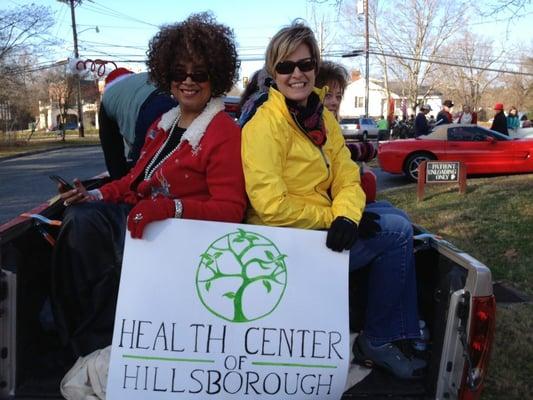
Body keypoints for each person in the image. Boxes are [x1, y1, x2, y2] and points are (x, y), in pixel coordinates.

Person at [51, 12, 247, 360]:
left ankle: (94, 342)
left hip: (181, 237)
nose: (188, 81)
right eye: (178, 73)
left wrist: (170, 208)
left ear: (214, 78)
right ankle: (79, 335)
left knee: (85, 225)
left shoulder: (222, 132)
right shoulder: (163, 123)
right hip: (145, 222)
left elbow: (231, 210)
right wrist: (93, 193)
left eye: (199, 73)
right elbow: (134, 180)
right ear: (166, 77)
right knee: (81, 213)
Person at [241, 21, 426, 380]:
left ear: (315, 66)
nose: (297, 74)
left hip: (313, 229)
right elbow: (271, 206)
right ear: (273, 72)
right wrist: (336, 218)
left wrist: (346, 214)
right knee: (397, 231)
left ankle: (404, 329)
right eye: (286, 66)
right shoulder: (265, 124)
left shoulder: (320, 116)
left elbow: (346, 175)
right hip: (282, 242)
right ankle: (381, 337)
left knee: (391, 212)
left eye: (306, 64)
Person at [314, 60, 377, 203]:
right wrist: (361, 151)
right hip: (326, 205)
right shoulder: (313, 130)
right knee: (398, 223)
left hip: (340, 201)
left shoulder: (332, 126)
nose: (335, 102)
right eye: (328, 95)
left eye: (338, 96)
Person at [99, 68, 177, 179]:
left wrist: (119, 179)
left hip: (147, 114)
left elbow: (112, 150)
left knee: (140, 173)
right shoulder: (144, 76)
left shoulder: (107, 98)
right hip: (171, 101)